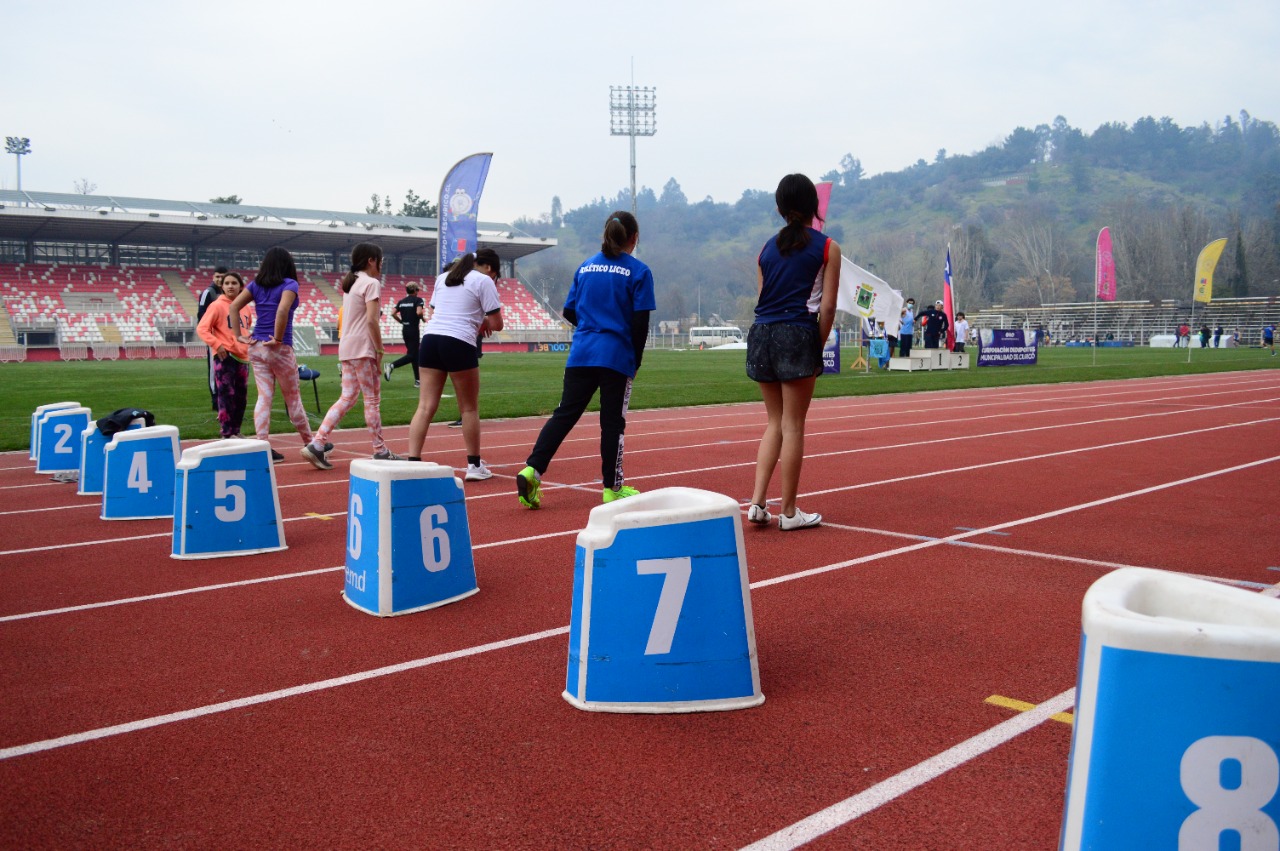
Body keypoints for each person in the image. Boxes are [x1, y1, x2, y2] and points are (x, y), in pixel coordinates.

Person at [515, 211, 655, 509]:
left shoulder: (586, 267)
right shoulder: (639, 271)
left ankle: (532, 469)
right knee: (612, 423)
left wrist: (593, 323)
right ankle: (612, 488)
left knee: (564, 414)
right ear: (634, 238)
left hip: (582, 353)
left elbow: (569, 312)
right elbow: (640, 324)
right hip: (616, 356)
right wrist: (636, 360)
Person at [743, 174, 839, 531]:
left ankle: (756, 503)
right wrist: (816, 346)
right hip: (797, 331)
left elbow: (762, 298)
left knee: (774, 422)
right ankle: (788, 512)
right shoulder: (827, 247)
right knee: (794, 425)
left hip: (762, 333)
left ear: (780, 208)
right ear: (813, 206)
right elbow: (827, 308)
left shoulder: (765, 249)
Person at [406, 248, 504, 480]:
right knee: (468, 408)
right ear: (490, 268)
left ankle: (413, 463)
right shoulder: (483, 280)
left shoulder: (444, 278)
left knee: (425, 406)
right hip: (458, 342)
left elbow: (433, 313)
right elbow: (497, 323)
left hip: (430, 340)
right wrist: (481, 324)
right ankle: (474, 466)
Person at [302, 243, 399, 469]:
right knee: (372, 400)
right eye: (380, 260)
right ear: (371, 260)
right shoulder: (371, 283)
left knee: (347, 397)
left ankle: (317, 443)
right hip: (363, 348)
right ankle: (380, 450)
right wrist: (380, 349)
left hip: (346, 348)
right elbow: (371, 320)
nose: (382, 265)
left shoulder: (352, 284)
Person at [228, 247, 318, 462]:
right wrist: (277, 339)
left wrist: (238, 335)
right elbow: (282, 310)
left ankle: (261, 443)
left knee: (264, 397)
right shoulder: (290, 284)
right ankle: (310, 443)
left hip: (256, 345)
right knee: (292, 398)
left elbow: (233, 306)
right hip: (279, 347)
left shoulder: (255, 285)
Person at [196, 271, 252, 439]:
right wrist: (217, 345)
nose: (230, 286)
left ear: (241, 287)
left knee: (241, 397)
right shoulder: (216, 305)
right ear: (222, 286)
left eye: (234, 283)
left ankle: (236, 429)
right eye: (227, 283)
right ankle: (227, 432)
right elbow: (202, 328)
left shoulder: (246, 308)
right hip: (225, 356)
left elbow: (245, 329)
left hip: (242, 356)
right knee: (227, 395)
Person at [196, 266, 228, 411]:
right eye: (217, 276)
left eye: (222, 276)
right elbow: (201, 314)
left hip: (227, 337)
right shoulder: (208, 293)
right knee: (213, 369)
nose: (220, 279)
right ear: (213, 277)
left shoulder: (227, 293)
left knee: (227, 367)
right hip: (213, 338)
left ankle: (226, 398)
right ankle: (215, 400)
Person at [384, 280, 425, 387]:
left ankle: (418, 381)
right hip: (413, 330)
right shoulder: (418, 300)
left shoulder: (402, 301)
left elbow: (393, 313)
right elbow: (419, 312)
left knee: (415, 355)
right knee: (412, 355)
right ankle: (391, 365)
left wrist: (401, 321)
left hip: (405, 329)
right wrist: (423, 318)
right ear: (416, 291)